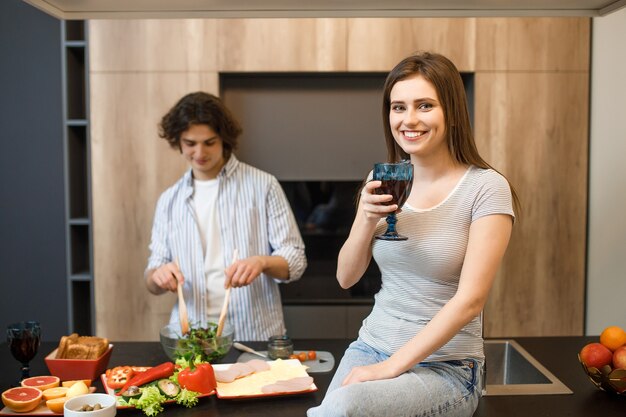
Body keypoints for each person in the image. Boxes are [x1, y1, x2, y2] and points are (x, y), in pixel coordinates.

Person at [308, 52, 518, 417]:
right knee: (336, 410)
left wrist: (389, 369)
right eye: (398, 107)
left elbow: (470, 300)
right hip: (372, 345)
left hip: (448, 367)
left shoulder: (486, 188)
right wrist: (363, 217)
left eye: (424, 106)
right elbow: (346, 277)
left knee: (343, 408)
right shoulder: (385, 182)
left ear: (451, 112)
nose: (409, 120)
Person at [145, 92, 307, 341]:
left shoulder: (263, 185)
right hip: (189, 340)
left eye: (209, 142)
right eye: (190, 143)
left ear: (224, 139)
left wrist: (261, 262)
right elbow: (152, 277)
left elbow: (295, 260)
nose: (199, 152)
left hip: (254, 336)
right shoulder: (169, 200)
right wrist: (158, 275)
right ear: (178, 141)